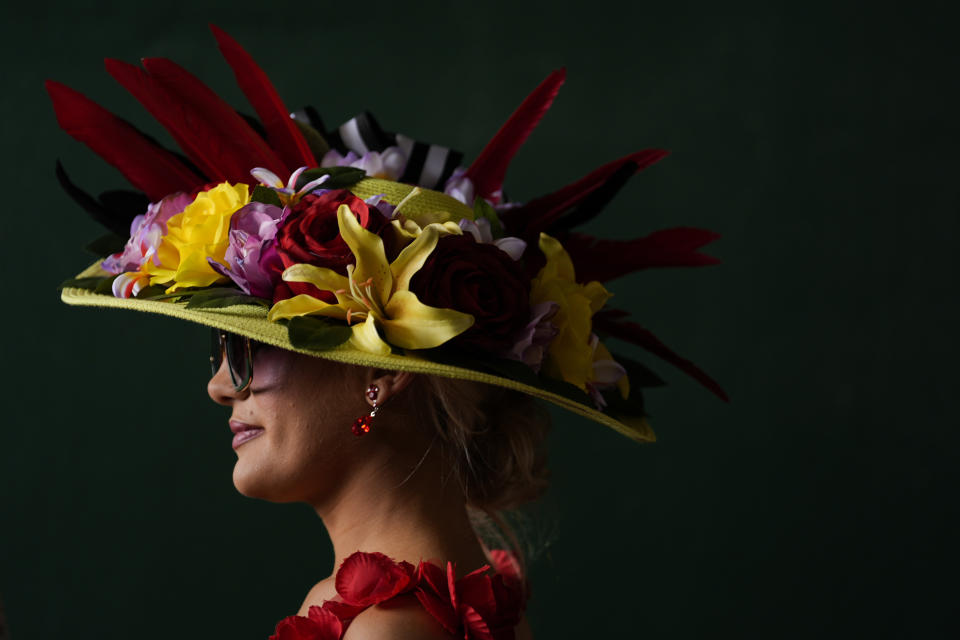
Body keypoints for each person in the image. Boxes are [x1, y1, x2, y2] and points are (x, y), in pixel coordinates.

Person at [50, 25, 727, 640]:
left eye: (247, 349)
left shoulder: (390, 631)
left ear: (383, 369)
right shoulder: (465, 596)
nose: (220, 386)